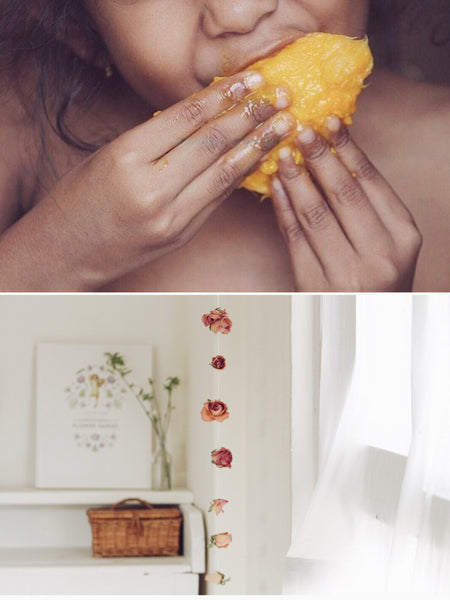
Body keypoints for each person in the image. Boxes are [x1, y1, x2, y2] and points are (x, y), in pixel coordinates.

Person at [0, 0, 448, 292]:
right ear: (84, 35)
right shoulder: (23, 122)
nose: (241, 11)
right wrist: (57, 249)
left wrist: (378, 339)